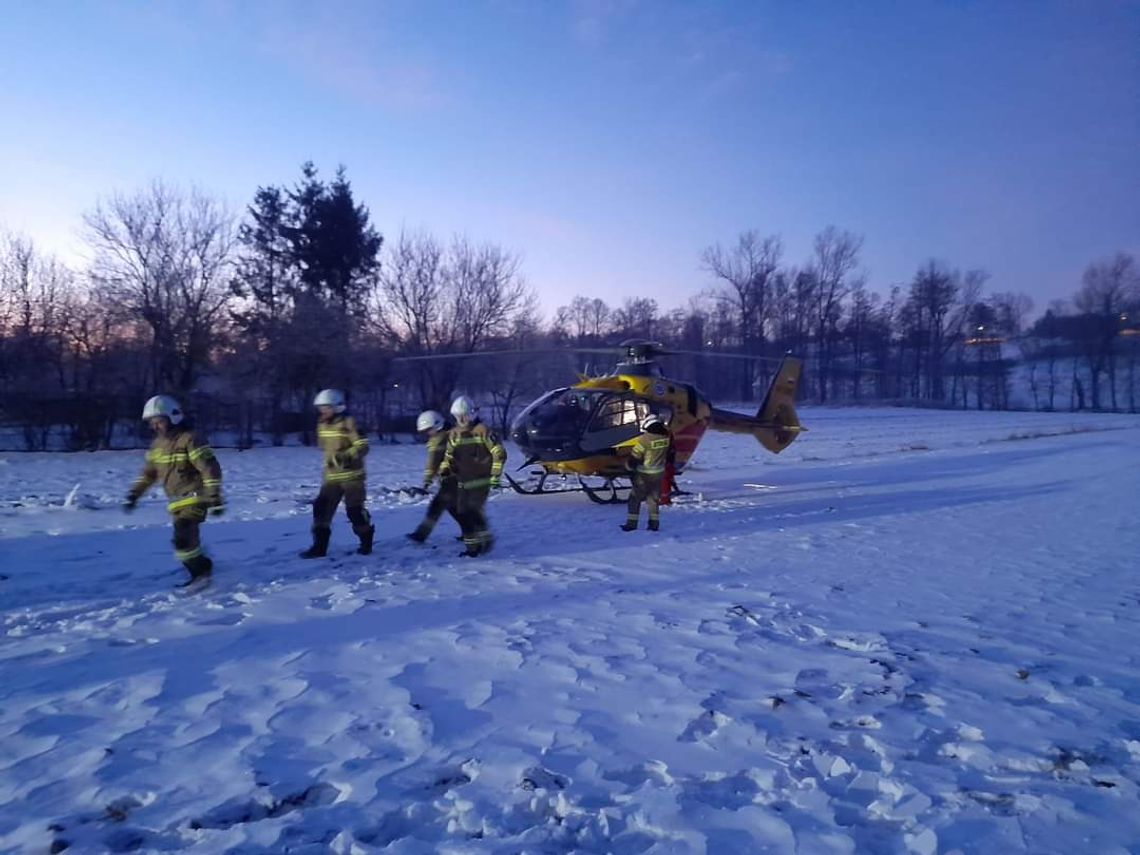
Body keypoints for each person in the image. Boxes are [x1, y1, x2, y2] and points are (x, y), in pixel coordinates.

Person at [124, 395, 224, 587]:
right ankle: (202, 565)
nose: (155, 427)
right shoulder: (157, 446)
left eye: (159, 421)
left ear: (173, 417)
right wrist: (134, 495)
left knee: (183, 539)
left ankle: (201, 575)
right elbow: (149, 474)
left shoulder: (190, 439)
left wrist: (214, 495)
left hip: (196, 498)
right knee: (182, 544)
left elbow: (209, 468)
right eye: (152, 423)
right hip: (177, 502)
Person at [300, 388, 374, 558]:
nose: (322, 411)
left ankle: (366, 541)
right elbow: (324, 446)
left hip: (352, 477)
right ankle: (319, 548)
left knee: (354, 511)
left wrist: (346, 456)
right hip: (331, 477)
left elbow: (363, 446)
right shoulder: (322, 424)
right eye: (320, 408)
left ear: (337, 407)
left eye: (326, 407)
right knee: (321, 509)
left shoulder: (350, 422)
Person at [438, 396, 506, 557]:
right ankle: (473, 547)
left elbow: (499, 453)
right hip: (463, 481)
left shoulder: (483, 431)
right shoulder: (454, 434)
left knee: (471, 512)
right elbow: (448, 456)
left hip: (481, 480)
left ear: (473, 413)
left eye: (465, 415)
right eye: (458, 416)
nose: (462, 419)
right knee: (462, 513)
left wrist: (495, 475)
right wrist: (444, 470)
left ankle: (481, 543)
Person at [407, 409, 459, 543]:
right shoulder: (451, 434)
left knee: (436, 507)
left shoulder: (439, 440)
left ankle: (421, 535)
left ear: (437, 425)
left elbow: (433, 462)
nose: (428, 433)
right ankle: (472, 532)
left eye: (429, 429)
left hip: (452, 479)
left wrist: (427, 481)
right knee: (454, 509)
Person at [621, 414, 671, 532]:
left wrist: (628, 466)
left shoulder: (645, 439)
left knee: (634, 499)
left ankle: (631, 524)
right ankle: (654, 525)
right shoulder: (666, 437)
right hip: (658, 473)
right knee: (653, 501)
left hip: (644, 474)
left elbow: (636, 456)